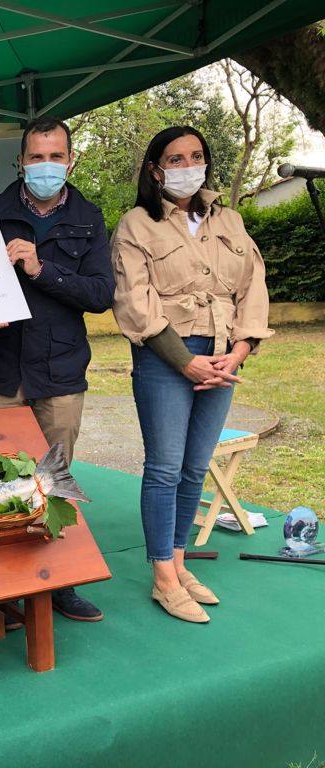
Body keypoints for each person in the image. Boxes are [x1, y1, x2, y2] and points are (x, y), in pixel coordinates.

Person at [112, 126, 272, 623]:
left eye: (196, 156)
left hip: (223, 356)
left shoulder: (230, 220)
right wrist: (184, 360)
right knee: (164, 467)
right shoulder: (136, 225)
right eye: (175, 158)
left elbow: (254, 288)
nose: (187, 166)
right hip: (166, 357)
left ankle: (180, 564)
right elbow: (134, 303)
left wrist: (240, 351)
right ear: (155, 169)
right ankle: (163, 576)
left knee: (194, 466)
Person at [0, 116, 114, 623]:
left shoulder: (90, 218)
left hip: (60, 371)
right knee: (1, 480)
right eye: (35, 156)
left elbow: (100, 295)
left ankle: (58, 583)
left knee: (56, 480)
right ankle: (5, 591)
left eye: (55, 156)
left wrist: (41, 269)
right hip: (1, 369)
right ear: (20, 161)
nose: (45, 166)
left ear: (71, 160)